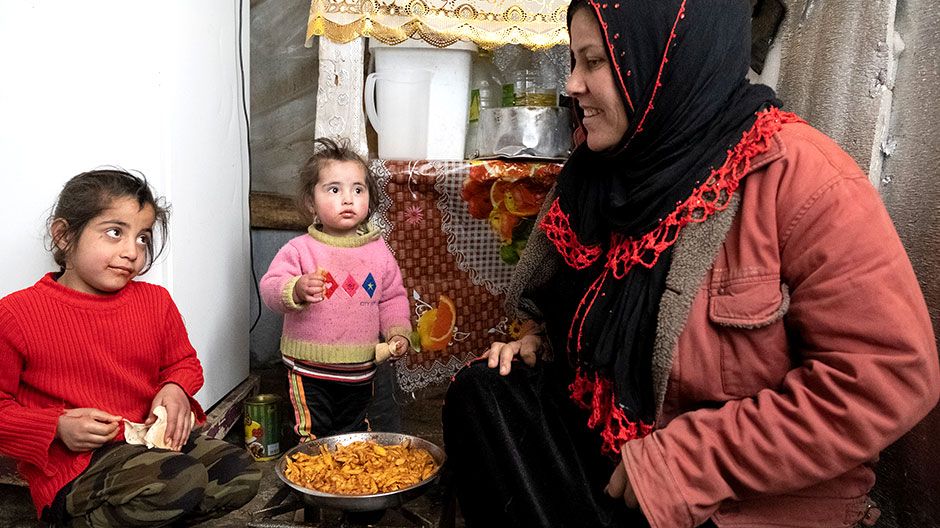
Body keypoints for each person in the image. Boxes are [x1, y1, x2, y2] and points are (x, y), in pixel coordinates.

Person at [442, 1, 940, 527]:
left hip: (735, 507)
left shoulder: (802, 179)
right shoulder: (607, 171)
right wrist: (541, 340)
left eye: (595, 61)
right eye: (574, 60)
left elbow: (889, 375)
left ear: (666, 58)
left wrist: (686, 464)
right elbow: (581, 301)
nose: (573, 85)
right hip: (617, 463)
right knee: (484, 397)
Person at [0, 169, 261, 526]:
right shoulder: (17, 314)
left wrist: (175, 388)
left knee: (240, 471)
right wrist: (57, 426)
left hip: (151, 447)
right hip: (78, 467)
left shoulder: (156, 301)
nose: (131, 252)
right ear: (63, 236)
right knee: (178, 479)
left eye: (142, 238)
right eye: (114, 232)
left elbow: (183, 362)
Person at [260, 137, 411, 441]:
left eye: (358, 189)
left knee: (353, 434)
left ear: (369, 199)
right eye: (334, 189)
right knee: (312, 436)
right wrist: (296, 289)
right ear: (310, 203)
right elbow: (270, 287)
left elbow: (392, 296)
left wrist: (398, 332)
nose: (348, 199)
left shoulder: (378, 251)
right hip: (309, 369)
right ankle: (309, 488)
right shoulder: (301, 249)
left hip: (360, 369)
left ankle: (346, 487)